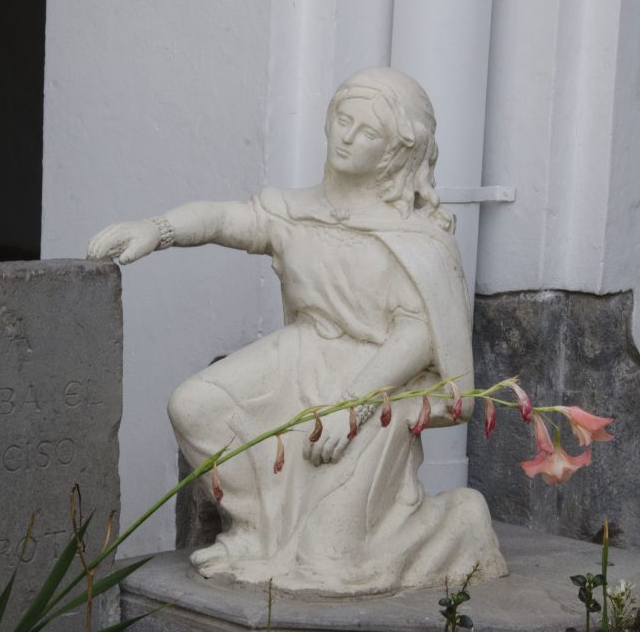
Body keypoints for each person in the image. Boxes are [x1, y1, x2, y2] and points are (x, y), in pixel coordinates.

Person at [88, 68, 506, 595]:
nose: (347, 137)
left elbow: (417, 335)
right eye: (342, 120)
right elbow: (222, 219)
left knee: (331, 568)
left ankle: (457, 520)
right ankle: (255, 531)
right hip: (301, 358)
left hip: (379, 383)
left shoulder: (416, 238)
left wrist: (351, 406)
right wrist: (158, 229)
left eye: (367, 131)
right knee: (195, 405)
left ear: (397, 152)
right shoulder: (294, 212)